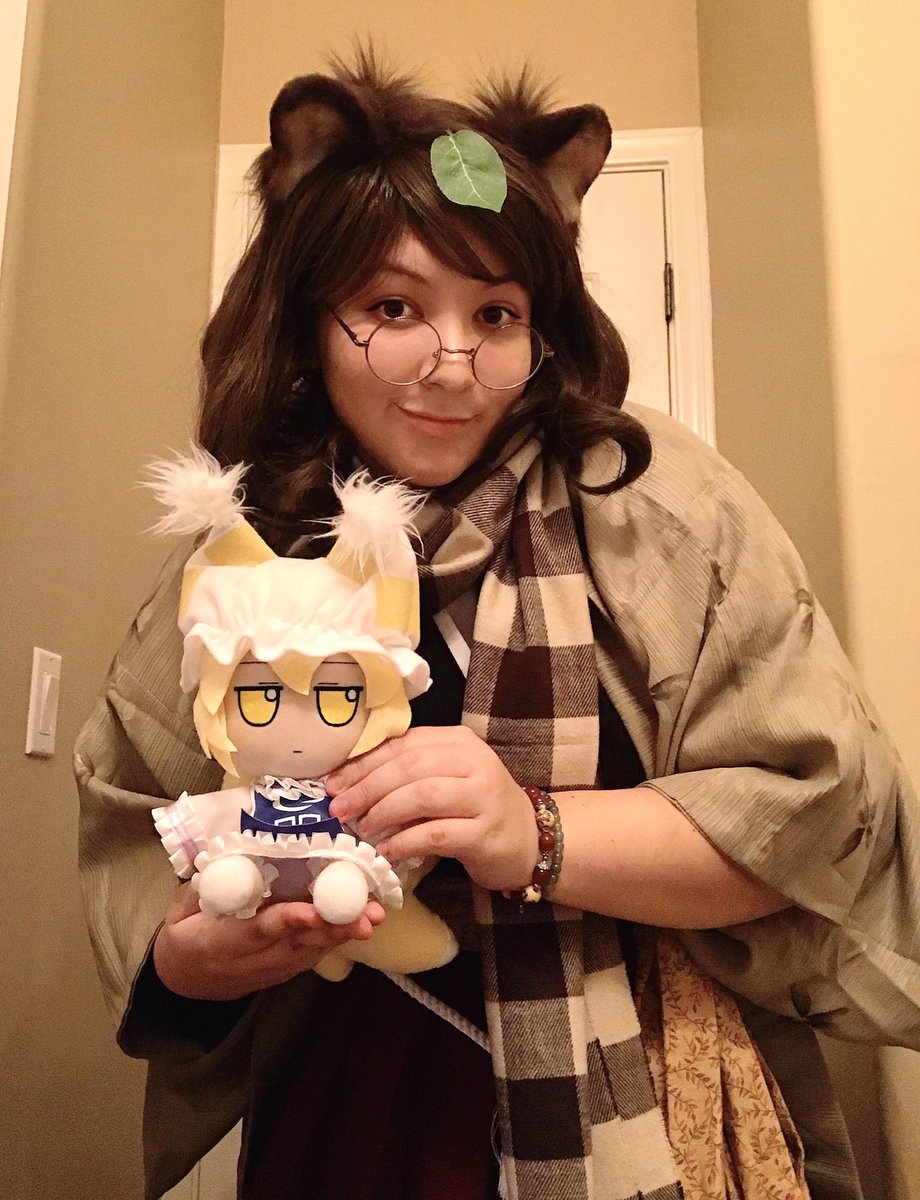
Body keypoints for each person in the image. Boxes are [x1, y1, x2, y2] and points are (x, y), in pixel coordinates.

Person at [76, 51, 920, 1200]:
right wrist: (198, 958)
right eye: (391, 308)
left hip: (642, 1096)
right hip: (335, 1104)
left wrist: (534, 831)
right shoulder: (243, 552)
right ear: (309, 316)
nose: (452, 366)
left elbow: (813, 816)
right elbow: (139, 835)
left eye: (497, 314)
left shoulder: (660, 503)